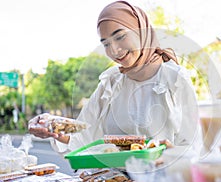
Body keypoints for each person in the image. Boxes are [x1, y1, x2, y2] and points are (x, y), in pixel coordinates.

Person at [28, 0, 202, 154]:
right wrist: (52, 125)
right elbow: (83, 136)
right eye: (106, 44)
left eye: (120, 37)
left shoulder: (175, 78)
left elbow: (193, 145)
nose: (114, 50)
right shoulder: (111, 81)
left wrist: (168, 153)